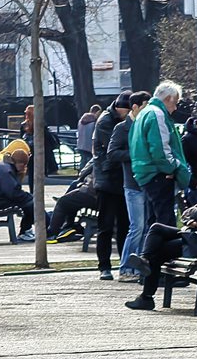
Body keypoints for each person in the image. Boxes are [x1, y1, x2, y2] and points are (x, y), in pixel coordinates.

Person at [124, 161, 197, 311]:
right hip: (194, 236)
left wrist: (196, 218)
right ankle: (145, 260)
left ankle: (146, 296)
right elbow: (186, 213)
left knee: (158, 252)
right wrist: (194, 221)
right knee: (157, 228)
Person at [128, 80, 191, 226]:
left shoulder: (144, 113)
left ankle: (151, 249)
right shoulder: (157, 114)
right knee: (165, 223)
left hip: (145, 174)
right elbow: (160, 149)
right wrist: (172, 166)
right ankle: (163, 249)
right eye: (175, 102)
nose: (175, 108)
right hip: (158, 175)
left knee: (153, 221)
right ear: (168, 98)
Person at [107, 91, 151, 282]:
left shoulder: (145, 125)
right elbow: (112, 153)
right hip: (132, 183)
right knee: (137, 227)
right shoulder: (122, 128)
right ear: (135, 107)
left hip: (146, 182)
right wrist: (135, 154)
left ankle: (138, 267)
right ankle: (126, 267)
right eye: (144, 106)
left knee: (145, 227)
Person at [93, 91, 132, 280]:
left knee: (124, 225)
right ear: (121, 108)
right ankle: (104, 266)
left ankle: (124, 264)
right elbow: (113, 150)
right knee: (106, 225)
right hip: (108, 181)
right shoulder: (106, 122)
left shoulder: (119, 120)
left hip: (120, 179)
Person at [0, 149, 38, 242]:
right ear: (19, 163)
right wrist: (29, 197)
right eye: (24, 165)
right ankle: (25, 231)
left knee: (31, 203)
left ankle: (26, 230)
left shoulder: (5, 166)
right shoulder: (6, 170)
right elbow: (13, 193)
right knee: (32, 204)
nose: (24, 168)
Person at [46, 159, 97, 242]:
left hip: (96, 193)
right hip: (99, 192)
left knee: (63, 202)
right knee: (73, 191)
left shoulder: (101, 154)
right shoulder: (107, 153)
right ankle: (68, 226)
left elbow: (83, 172)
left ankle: (52, 233)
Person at [21, 105, 59, 193]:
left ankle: (33, 193)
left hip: (31, 152)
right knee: (36, 174)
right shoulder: (39, 124)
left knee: (32, 174)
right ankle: (36, 193)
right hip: (39, 152)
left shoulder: (31, 125)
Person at [77, 104, 102, 171]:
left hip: (81, 144)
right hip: (90, 145)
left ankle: (81, 174)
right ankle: (86, 175)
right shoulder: (95, 122)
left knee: (83, 160)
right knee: (89, 163)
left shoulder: (81, 121)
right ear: (97, 112)